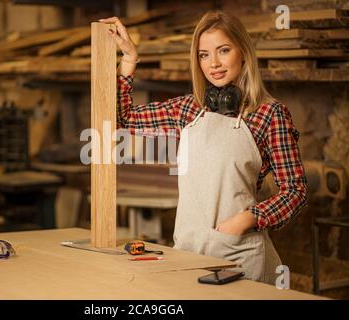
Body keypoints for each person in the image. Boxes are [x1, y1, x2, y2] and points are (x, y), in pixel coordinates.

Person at [99, 11, 308, 284]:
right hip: (189, 253)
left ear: (243, 52)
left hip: (240, 255)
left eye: (223, 50)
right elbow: (123, 119)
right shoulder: (188, 109)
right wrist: (128, 57)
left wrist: (248, 218)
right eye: (204, 55)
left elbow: (296, 190)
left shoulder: (269, 114)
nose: (214, 64)